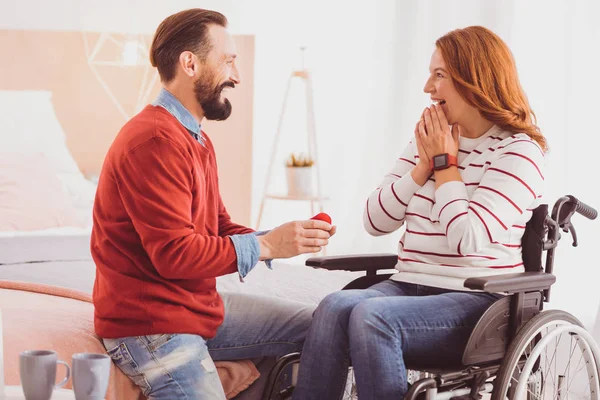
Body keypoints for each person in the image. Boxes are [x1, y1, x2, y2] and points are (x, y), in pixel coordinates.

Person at [91, 8, 335, 399]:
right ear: (190, 63)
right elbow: (174, 253)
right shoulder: (155, 141)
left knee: (328, 325)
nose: (236, 76)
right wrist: (269, 246)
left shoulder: (193, 138)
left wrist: (280, 237)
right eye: (228, 60)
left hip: (193, 309)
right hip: (151, 326)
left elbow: (217, 225)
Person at [293, 25, 547, 400]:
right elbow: (375, 220)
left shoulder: (518, 152)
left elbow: (468, 240)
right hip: (408, 286)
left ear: (474, 79)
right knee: (334, 307)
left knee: (372, 318)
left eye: (439, 75)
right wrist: (421, 168)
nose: (427, 88)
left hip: (477, 300)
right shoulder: (428, 141)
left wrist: (445, 166)